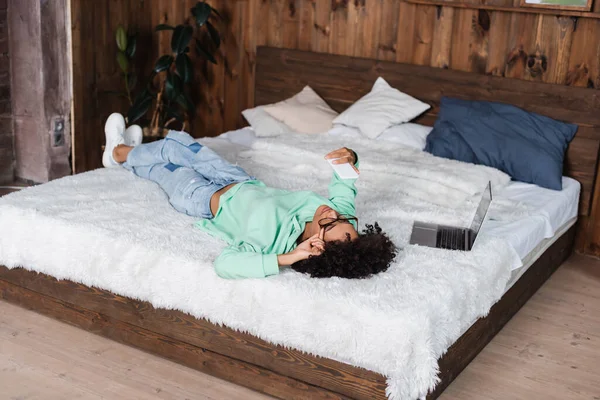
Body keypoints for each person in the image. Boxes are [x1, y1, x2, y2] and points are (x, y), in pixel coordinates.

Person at [103, 113, 396, 279]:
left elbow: (225, 265)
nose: (332, 213)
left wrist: (287, 258)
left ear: (316, 244)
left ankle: (117, 154)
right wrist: (351, 156)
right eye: (343, 219)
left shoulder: (271, 243)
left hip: (200, 197)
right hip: (238, 180)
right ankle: (126, 152)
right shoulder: (334, 213)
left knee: (163, 168)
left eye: (331, 224)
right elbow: (345, 185)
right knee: (180, 145)